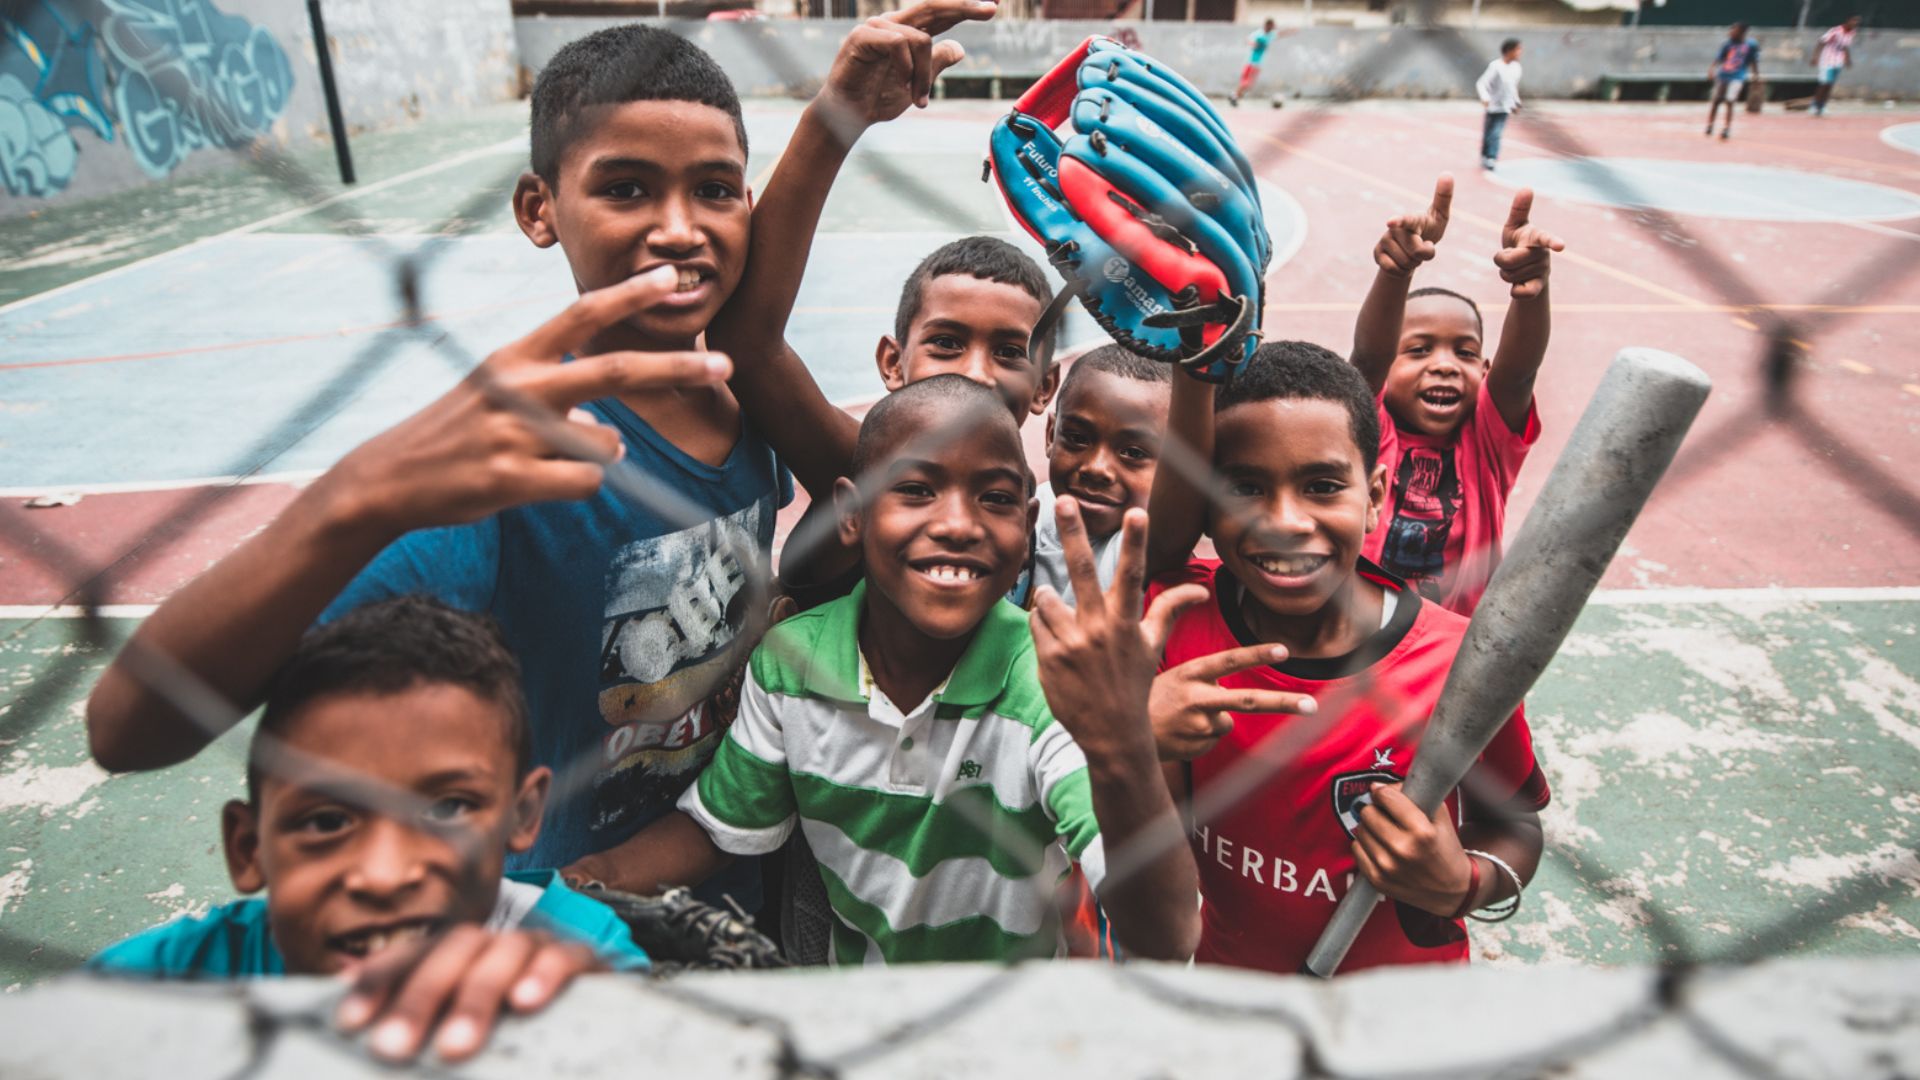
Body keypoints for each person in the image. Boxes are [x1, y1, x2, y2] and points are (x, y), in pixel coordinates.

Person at [85, 25, 815, 912]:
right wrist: (356, 498)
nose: (678, 229)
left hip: (729, 858)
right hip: (561, 911)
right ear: (538, 209)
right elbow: (127, 728)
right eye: (625, 189)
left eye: (713, 191)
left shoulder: (747, 407)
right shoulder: (510, 459)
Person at [560, 376, 1203, 964]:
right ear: (852, 513)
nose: (957, 524)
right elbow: (716, 829)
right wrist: (586, 883)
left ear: (1026, 524)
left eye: (996, 498)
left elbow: (1165, 935)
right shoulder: (790, 662)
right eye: (916, 490)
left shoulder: (1048, 685)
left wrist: (1122, 747)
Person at [91, 597, 650, 1064]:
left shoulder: (574, 957)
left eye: (448, 809)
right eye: (327, 821)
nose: (384, 877)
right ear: (248, 847)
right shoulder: (161, 981)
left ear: (522, 815)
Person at [1143, 342, 1551, 976]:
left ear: (1377, 494)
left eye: (1323, 486)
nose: (1284, 521)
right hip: (1232, 988)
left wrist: (1462, 884)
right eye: (1245, 487)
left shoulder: (1458, 663)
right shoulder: (1177, 614)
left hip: (1404, 1011)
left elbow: (1516, 824)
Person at [1343, 175, 1561, 615]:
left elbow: (1518, 375)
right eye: (1419, 350)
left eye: (1464, 352)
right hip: (1356, 630)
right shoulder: (1368, 429)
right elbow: (1367, 359)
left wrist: (1531, 290)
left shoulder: (1487, 443)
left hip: (1452, 642)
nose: (1444, 364)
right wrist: (1395, 271)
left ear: (1484, 371)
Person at [1033, 344, 1171, 607]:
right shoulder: (1029, 508)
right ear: (1051, 434)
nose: (1096, 468)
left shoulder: (1144, 544)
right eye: (1077, 439)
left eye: (1133, 452)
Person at [1474, 39, 1522, 171]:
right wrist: (1485, 97)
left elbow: (1513, 88)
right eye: (1517, 49)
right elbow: (1481, 83)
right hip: (1492, 106)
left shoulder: (1516, 68)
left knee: (1497, 132)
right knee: (1488, 133)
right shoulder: (1496, 66)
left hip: (1504, 107)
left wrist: (1516, 102)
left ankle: (1491, 157)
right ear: (1509, 50)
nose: (1520, 52)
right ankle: (1485, 154)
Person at [1707, 22, 1759, 140]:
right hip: (1723, 75)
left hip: (1738, 76)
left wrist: (1756, 76)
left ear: (1741, 32)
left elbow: (1754, 61)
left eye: (1733, 30)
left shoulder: (1750, 45)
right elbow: (1719, 58)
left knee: (1730, 100)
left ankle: (1727, 128)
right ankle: (1710, 124)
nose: (1730, 32)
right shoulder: (1728, 44)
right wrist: (1712, 69)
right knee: (1716, 101)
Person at [1811, 15, 1861, 118]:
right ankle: (1814, 105)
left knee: (1830, 85)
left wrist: (1847, 59)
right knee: (1824, 83)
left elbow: (1845, 47)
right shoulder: (1835, 31)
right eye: (1853, 22)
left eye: (1857, 23)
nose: (1854, 24)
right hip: (1827, 61)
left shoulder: (1851, 33)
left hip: (1838, 62)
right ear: (1848, 21)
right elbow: (1821, 42)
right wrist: (1815, 57)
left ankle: (1822, 106)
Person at [1229, 19, 1279, 108]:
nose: (1272, 28)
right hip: (1252, 62)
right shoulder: (1259, 34)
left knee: (1247, 84)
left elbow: (1280, 34)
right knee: (1247, 83)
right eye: (1271, 26)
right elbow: (1248, 40)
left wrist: (1291, 31)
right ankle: (1234, 95)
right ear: (1267, 25)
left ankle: (1235, 96)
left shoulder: (1270, 35)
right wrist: (1253, 44)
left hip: (1256, 63)